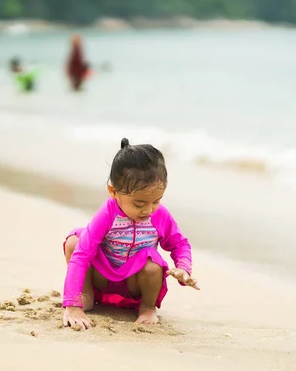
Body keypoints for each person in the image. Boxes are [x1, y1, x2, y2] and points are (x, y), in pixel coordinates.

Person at [62, 138, 199, 329]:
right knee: (75, 242)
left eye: (156, 201)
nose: (149, 210)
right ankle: (87, 295)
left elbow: (179, 244)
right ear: (113, 191)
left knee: (153, 265)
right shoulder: (107, 214)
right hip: (102, 279)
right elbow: (82, 255)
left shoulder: (160, 216)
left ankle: (147, 308)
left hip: (135, 284)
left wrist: (183, 267)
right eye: (139, 203)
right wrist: (72, 305)